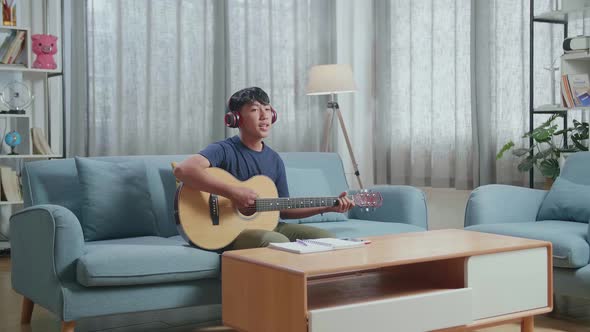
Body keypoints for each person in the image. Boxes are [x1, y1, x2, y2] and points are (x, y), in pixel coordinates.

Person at [173, 87, 355, 250]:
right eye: (254, 110)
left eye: (267, 110)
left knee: (328, 240)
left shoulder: (274, 159)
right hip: (230, 231)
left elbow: (285, 209)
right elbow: (183, 170)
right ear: (235, 119)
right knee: (277, 242)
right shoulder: (223, 149)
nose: (264, 115)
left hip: (270, 226)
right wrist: (232, 192)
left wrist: (329, 206)